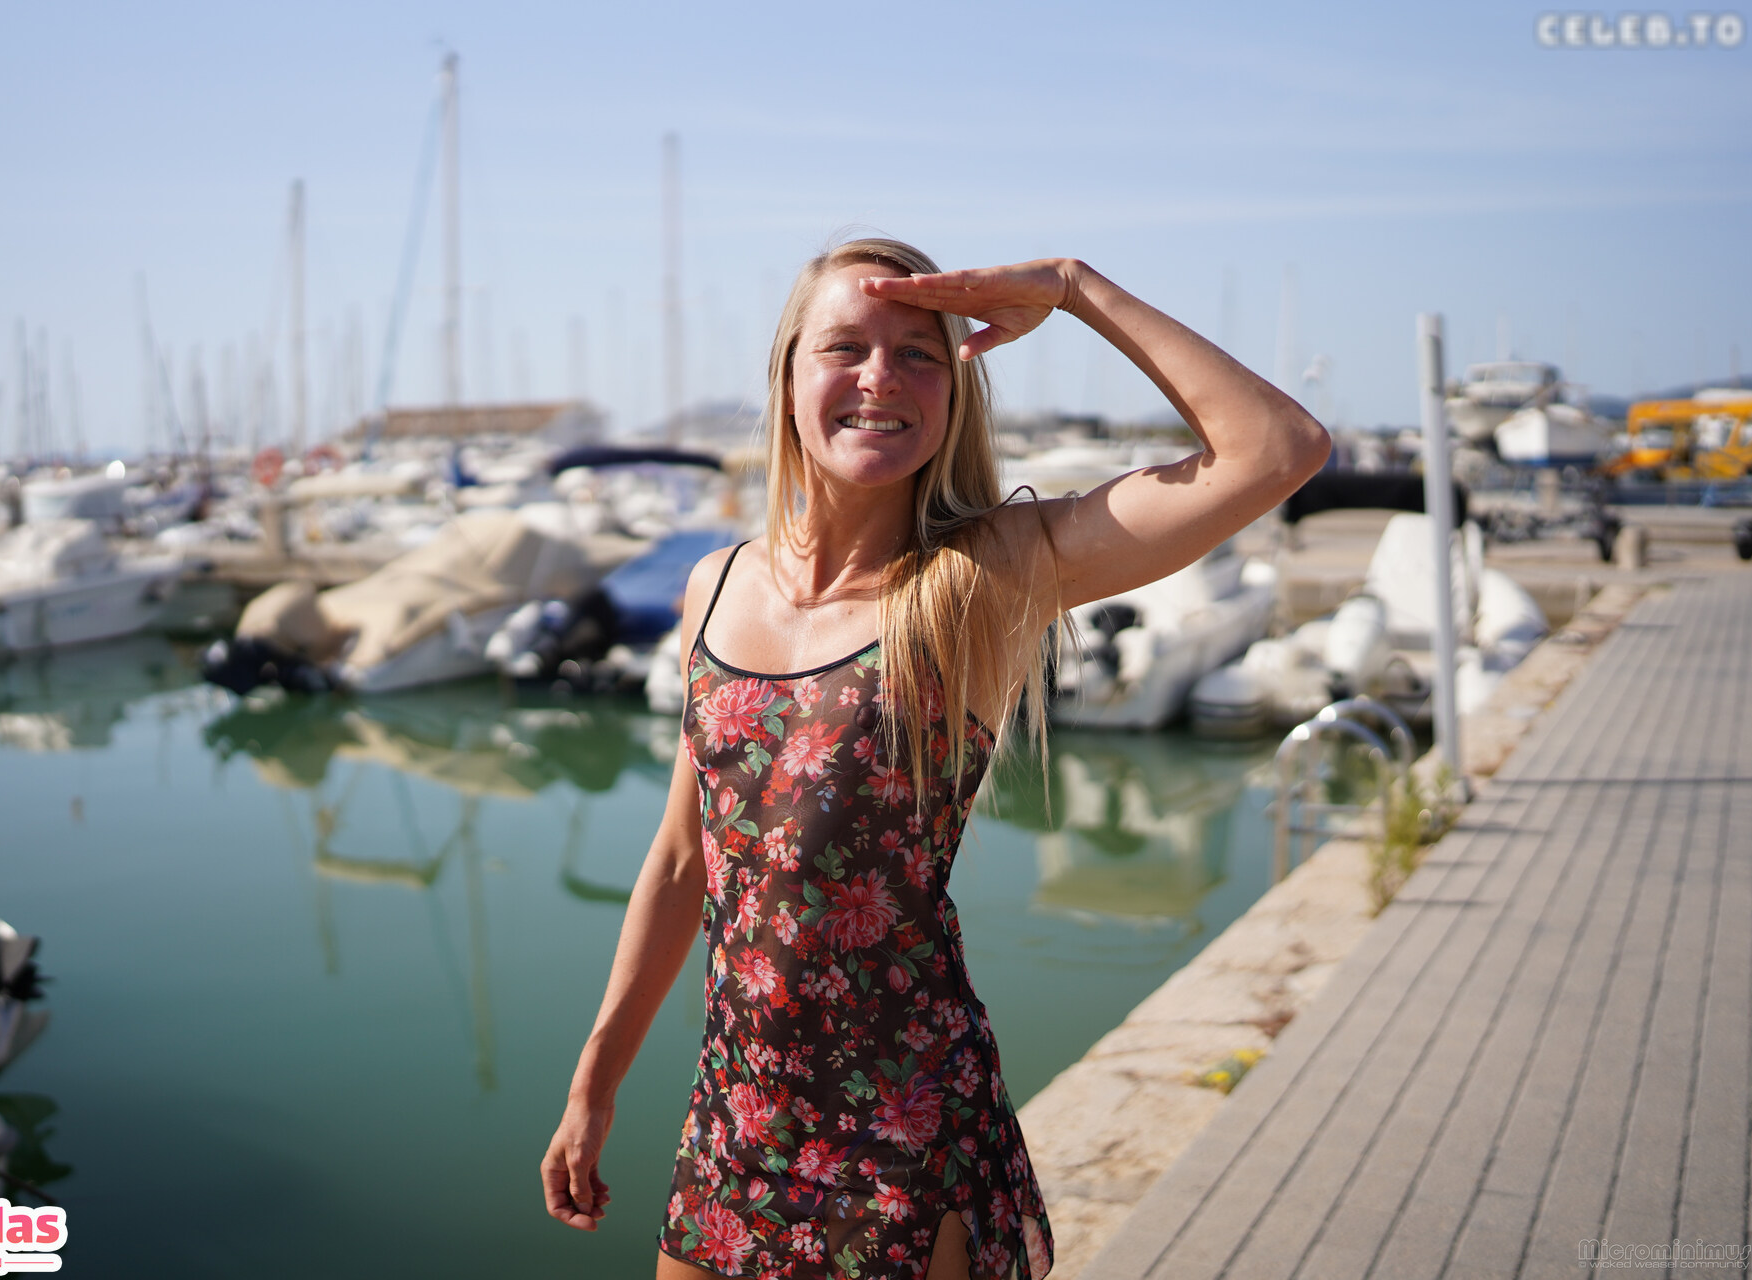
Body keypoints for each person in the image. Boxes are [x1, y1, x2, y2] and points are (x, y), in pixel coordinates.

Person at [543, 239, 1330, 1279]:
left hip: (904, 1131)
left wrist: (1075, 291)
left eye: (920, 353)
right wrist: (595, 1081)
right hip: (738, 1114)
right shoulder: (716, 585)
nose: (880, 377)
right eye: (845, 347)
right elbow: (686, 858)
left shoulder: (982, 574)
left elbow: (1276, 447)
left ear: (955, 396)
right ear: (787, 377)